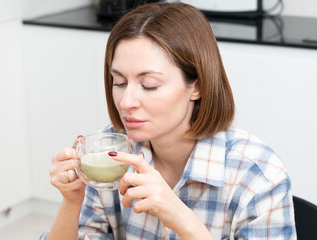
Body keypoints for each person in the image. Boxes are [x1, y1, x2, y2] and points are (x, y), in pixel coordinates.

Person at [41, 2, 296, 240]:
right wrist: (71, 202)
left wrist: (182, 219)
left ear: (196, 86)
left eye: (149, 85)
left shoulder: (257, 175)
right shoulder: (112, 154)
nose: (126, 101)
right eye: (119, 82)